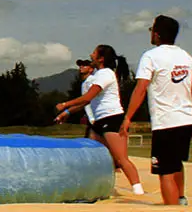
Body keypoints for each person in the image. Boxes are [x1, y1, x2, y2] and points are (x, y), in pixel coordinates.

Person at [120, 15, 192, 206]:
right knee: (176, 164)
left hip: (165, 122)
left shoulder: (151, 56)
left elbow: (140, 89)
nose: (150, 33)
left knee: (165, 172)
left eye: (151, 29)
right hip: (185, 120)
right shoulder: (185, 56)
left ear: (157, 34)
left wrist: (128, 118)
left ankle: (172, 207)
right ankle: (181, 199)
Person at [54, 45, 144, 196]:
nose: (91, 55)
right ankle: (95, 187)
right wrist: (67, 112)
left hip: (112, 118)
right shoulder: (96, 76)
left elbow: (88, 97)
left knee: (121, 160)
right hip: (99, 121)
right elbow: (87, 102)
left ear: (101, 58)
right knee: (95, 156)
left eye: (94, 53)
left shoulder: (106, 74)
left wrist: (65, 104)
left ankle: (138, 190)